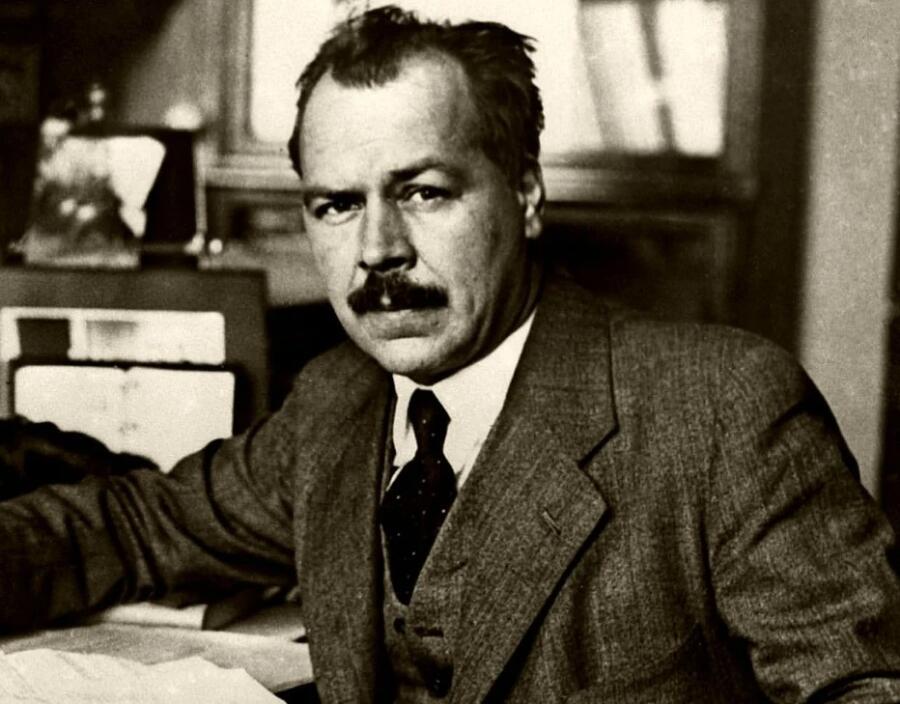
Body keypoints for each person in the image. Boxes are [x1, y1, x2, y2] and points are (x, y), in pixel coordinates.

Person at [2, 5, 900, 702]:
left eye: (423, 193)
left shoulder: (721, 408)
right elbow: (131, 526)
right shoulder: (336, 406)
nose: (377, 250)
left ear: (526, 194)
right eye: (337, 205)